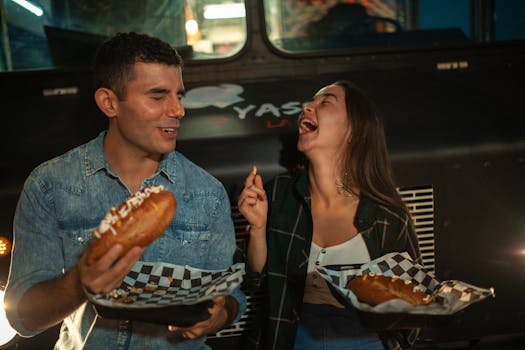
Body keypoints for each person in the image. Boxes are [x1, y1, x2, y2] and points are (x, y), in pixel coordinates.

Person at [5, 32, 245, 350]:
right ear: (109, 102)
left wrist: (221, 312)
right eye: (158, 97)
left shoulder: (206, 193)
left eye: (179, 96)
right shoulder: (49, 186)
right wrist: (79, 283)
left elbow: (230, 294)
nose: (178, 110)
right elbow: (23, 318)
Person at [238, 80, 422, 349]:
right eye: (311, 102)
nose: (306, 107)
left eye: (325, 102)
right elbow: (253, 281)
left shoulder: (388, 216)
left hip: (366, 340)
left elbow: (415, 302)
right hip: (289, 337)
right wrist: (257, 229)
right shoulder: (278, 194)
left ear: (354, 131)